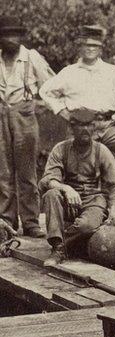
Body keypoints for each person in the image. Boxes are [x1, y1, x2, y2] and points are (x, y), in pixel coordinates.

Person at [39, 25, 115, 209]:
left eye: (94, 45)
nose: (90, 49)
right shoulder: (69, 72)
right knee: (74, 161)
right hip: (80, 128)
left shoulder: (111, 71)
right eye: (86, 45)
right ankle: (76, 201)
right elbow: (45, 91)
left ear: (101, 48)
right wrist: (63, 112)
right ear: (79, 47)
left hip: (105, 125)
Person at [40, 108, 115, 267]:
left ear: (94, 127)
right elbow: (47, 180)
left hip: (93, 200)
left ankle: (62, 245)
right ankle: (59, 248)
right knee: (52, 194)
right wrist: (65, 188)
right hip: (68, 200)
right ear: (71, 128)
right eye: (80, 125)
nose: (85, 129)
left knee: (87, 226)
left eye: (89, 125)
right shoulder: (61, 149)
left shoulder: (102, 151)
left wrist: (114, 209)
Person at [0, 16, 54, 238]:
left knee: (27, 170)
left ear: (21, 37)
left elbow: (52, 86)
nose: (11, 40)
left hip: (24, 117)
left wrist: (49, 106)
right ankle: (6, 220)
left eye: (15, 35)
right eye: (6, 36)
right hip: (1, 116)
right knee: (3, 171)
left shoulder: (31, 58)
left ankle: (31, 221)